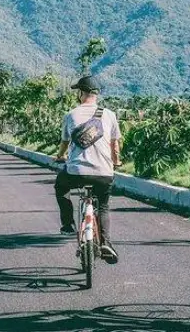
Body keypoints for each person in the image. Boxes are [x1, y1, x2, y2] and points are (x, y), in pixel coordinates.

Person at [54, 75, 122, 264]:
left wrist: (60, 156)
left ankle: (68, 224)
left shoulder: (71, 115)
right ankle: (106, 243)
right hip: (103, 173)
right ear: (96, 94)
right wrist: (116, 161)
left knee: (60, 186)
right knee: (103, 206)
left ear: (81, 93)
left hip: (76, 173)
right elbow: (115, 145)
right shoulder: (109, 115)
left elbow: (64, 143)